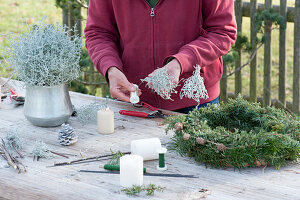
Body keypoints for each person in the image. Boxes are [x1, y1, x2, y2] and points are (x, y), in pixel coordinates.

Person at [84, 0, 237, 113]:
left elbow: (222, 31)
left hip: (196, 103)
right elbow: (98, 33)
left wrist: (181, 62)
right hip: (133, 101)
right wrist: (110, 68)